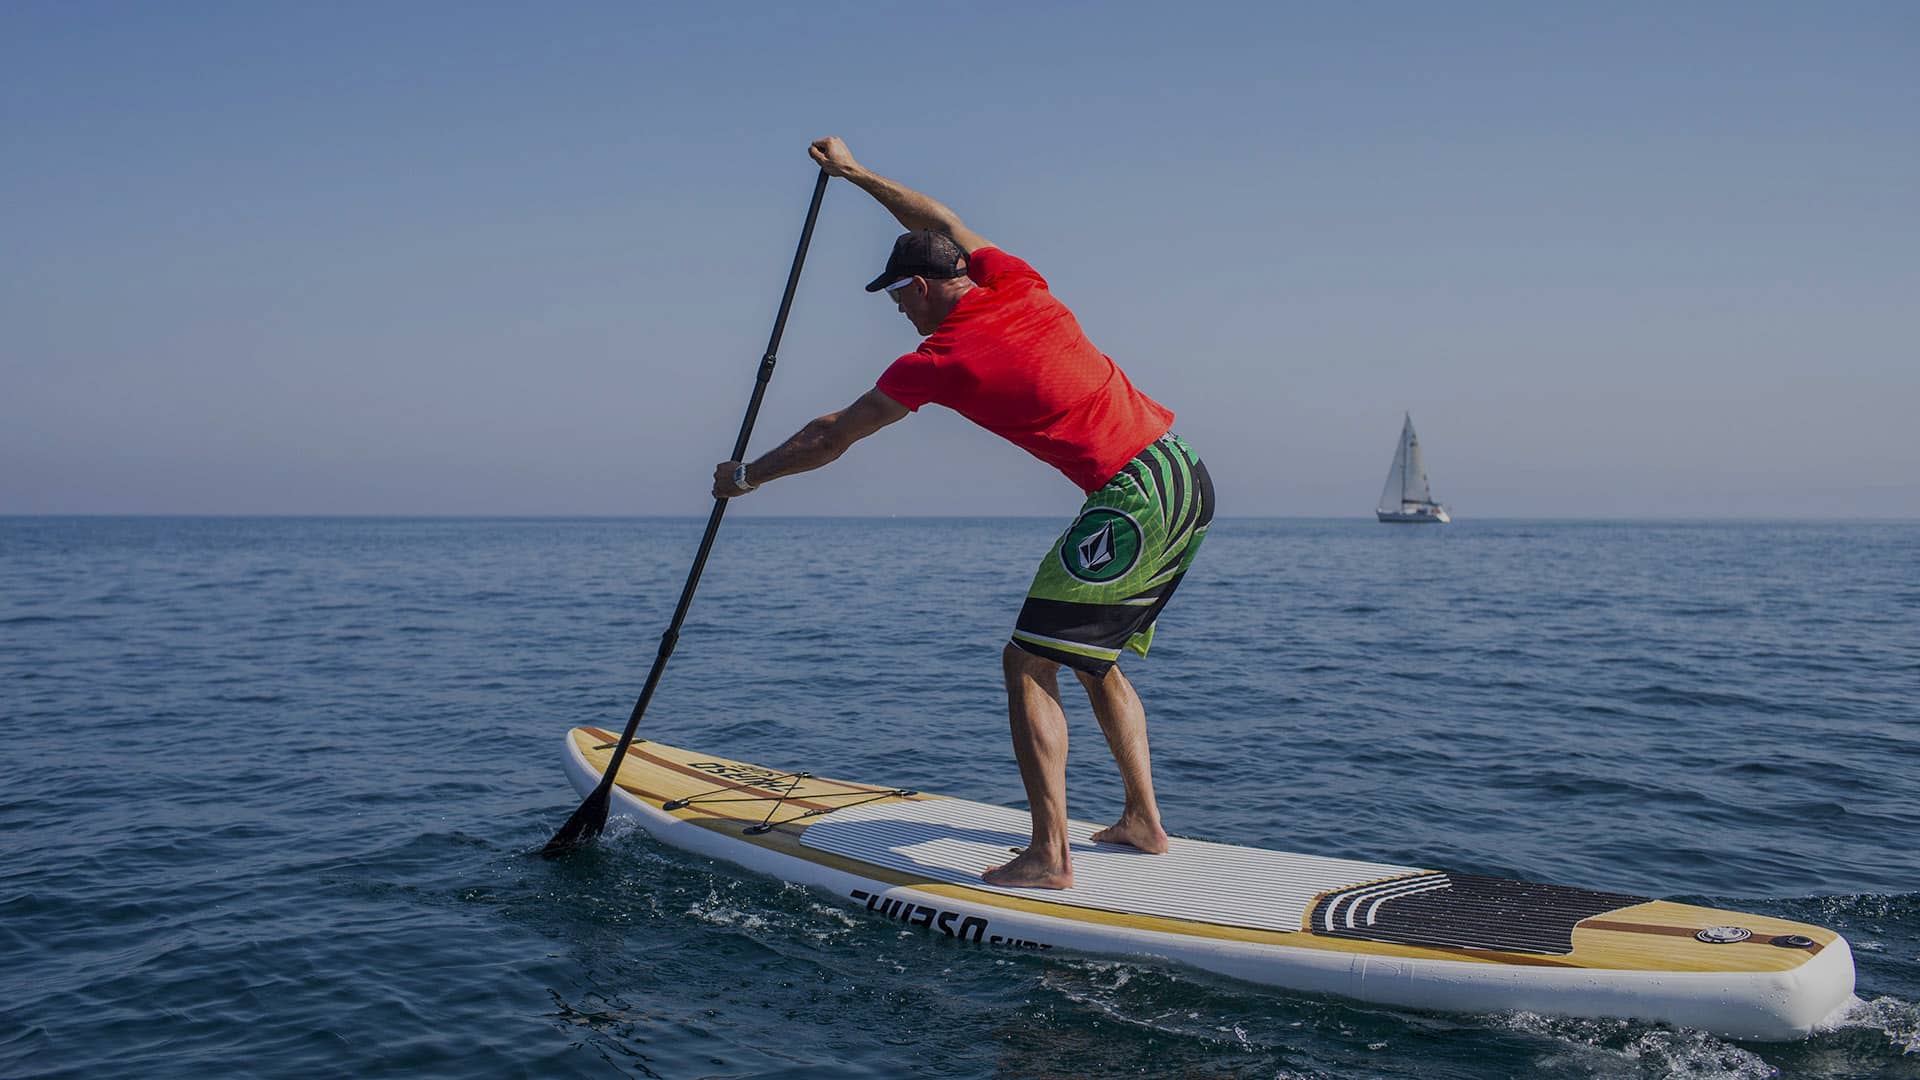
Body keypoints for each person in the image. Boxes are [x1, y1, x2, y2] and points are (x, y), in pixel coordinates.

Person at [712, 137, 1214, 889]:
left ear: (919, 286)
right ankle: (1143, 823)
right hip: (1184, 472)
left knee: (1027, 661)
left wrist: (747, 477)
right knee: (1090, 658)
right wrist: (855, 175)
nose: (897, 312)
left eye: (895, 297)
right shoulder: (1019, 283)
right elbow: (942, 217)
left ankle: (1050, 857)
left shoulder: (939, 360)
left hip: (1132, 495)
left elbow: (831, 435)